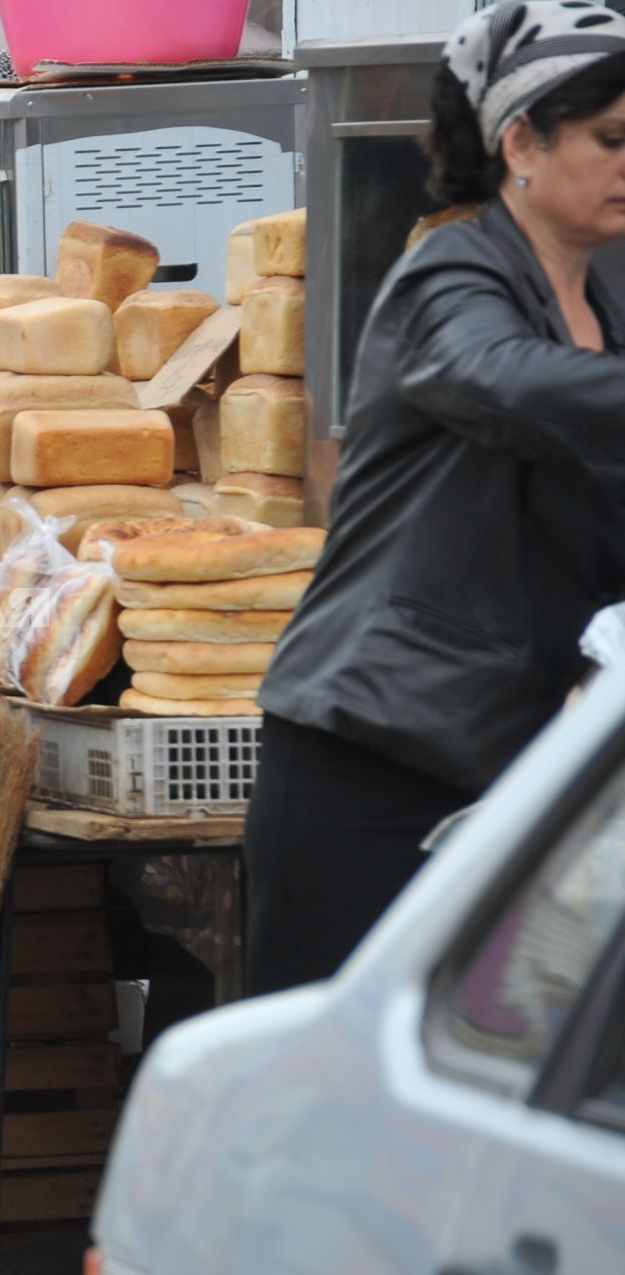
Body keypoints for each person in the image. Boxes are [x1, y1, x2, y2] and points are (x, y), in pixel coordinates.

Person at [246, 1, 625, 995]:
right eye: (612, 139)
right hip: (371, 750)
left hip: (517, 759)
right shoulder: (448, 276)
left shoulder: (607, 311)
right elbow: (495, 375)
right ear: (520, 144)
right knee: (331, 1096)